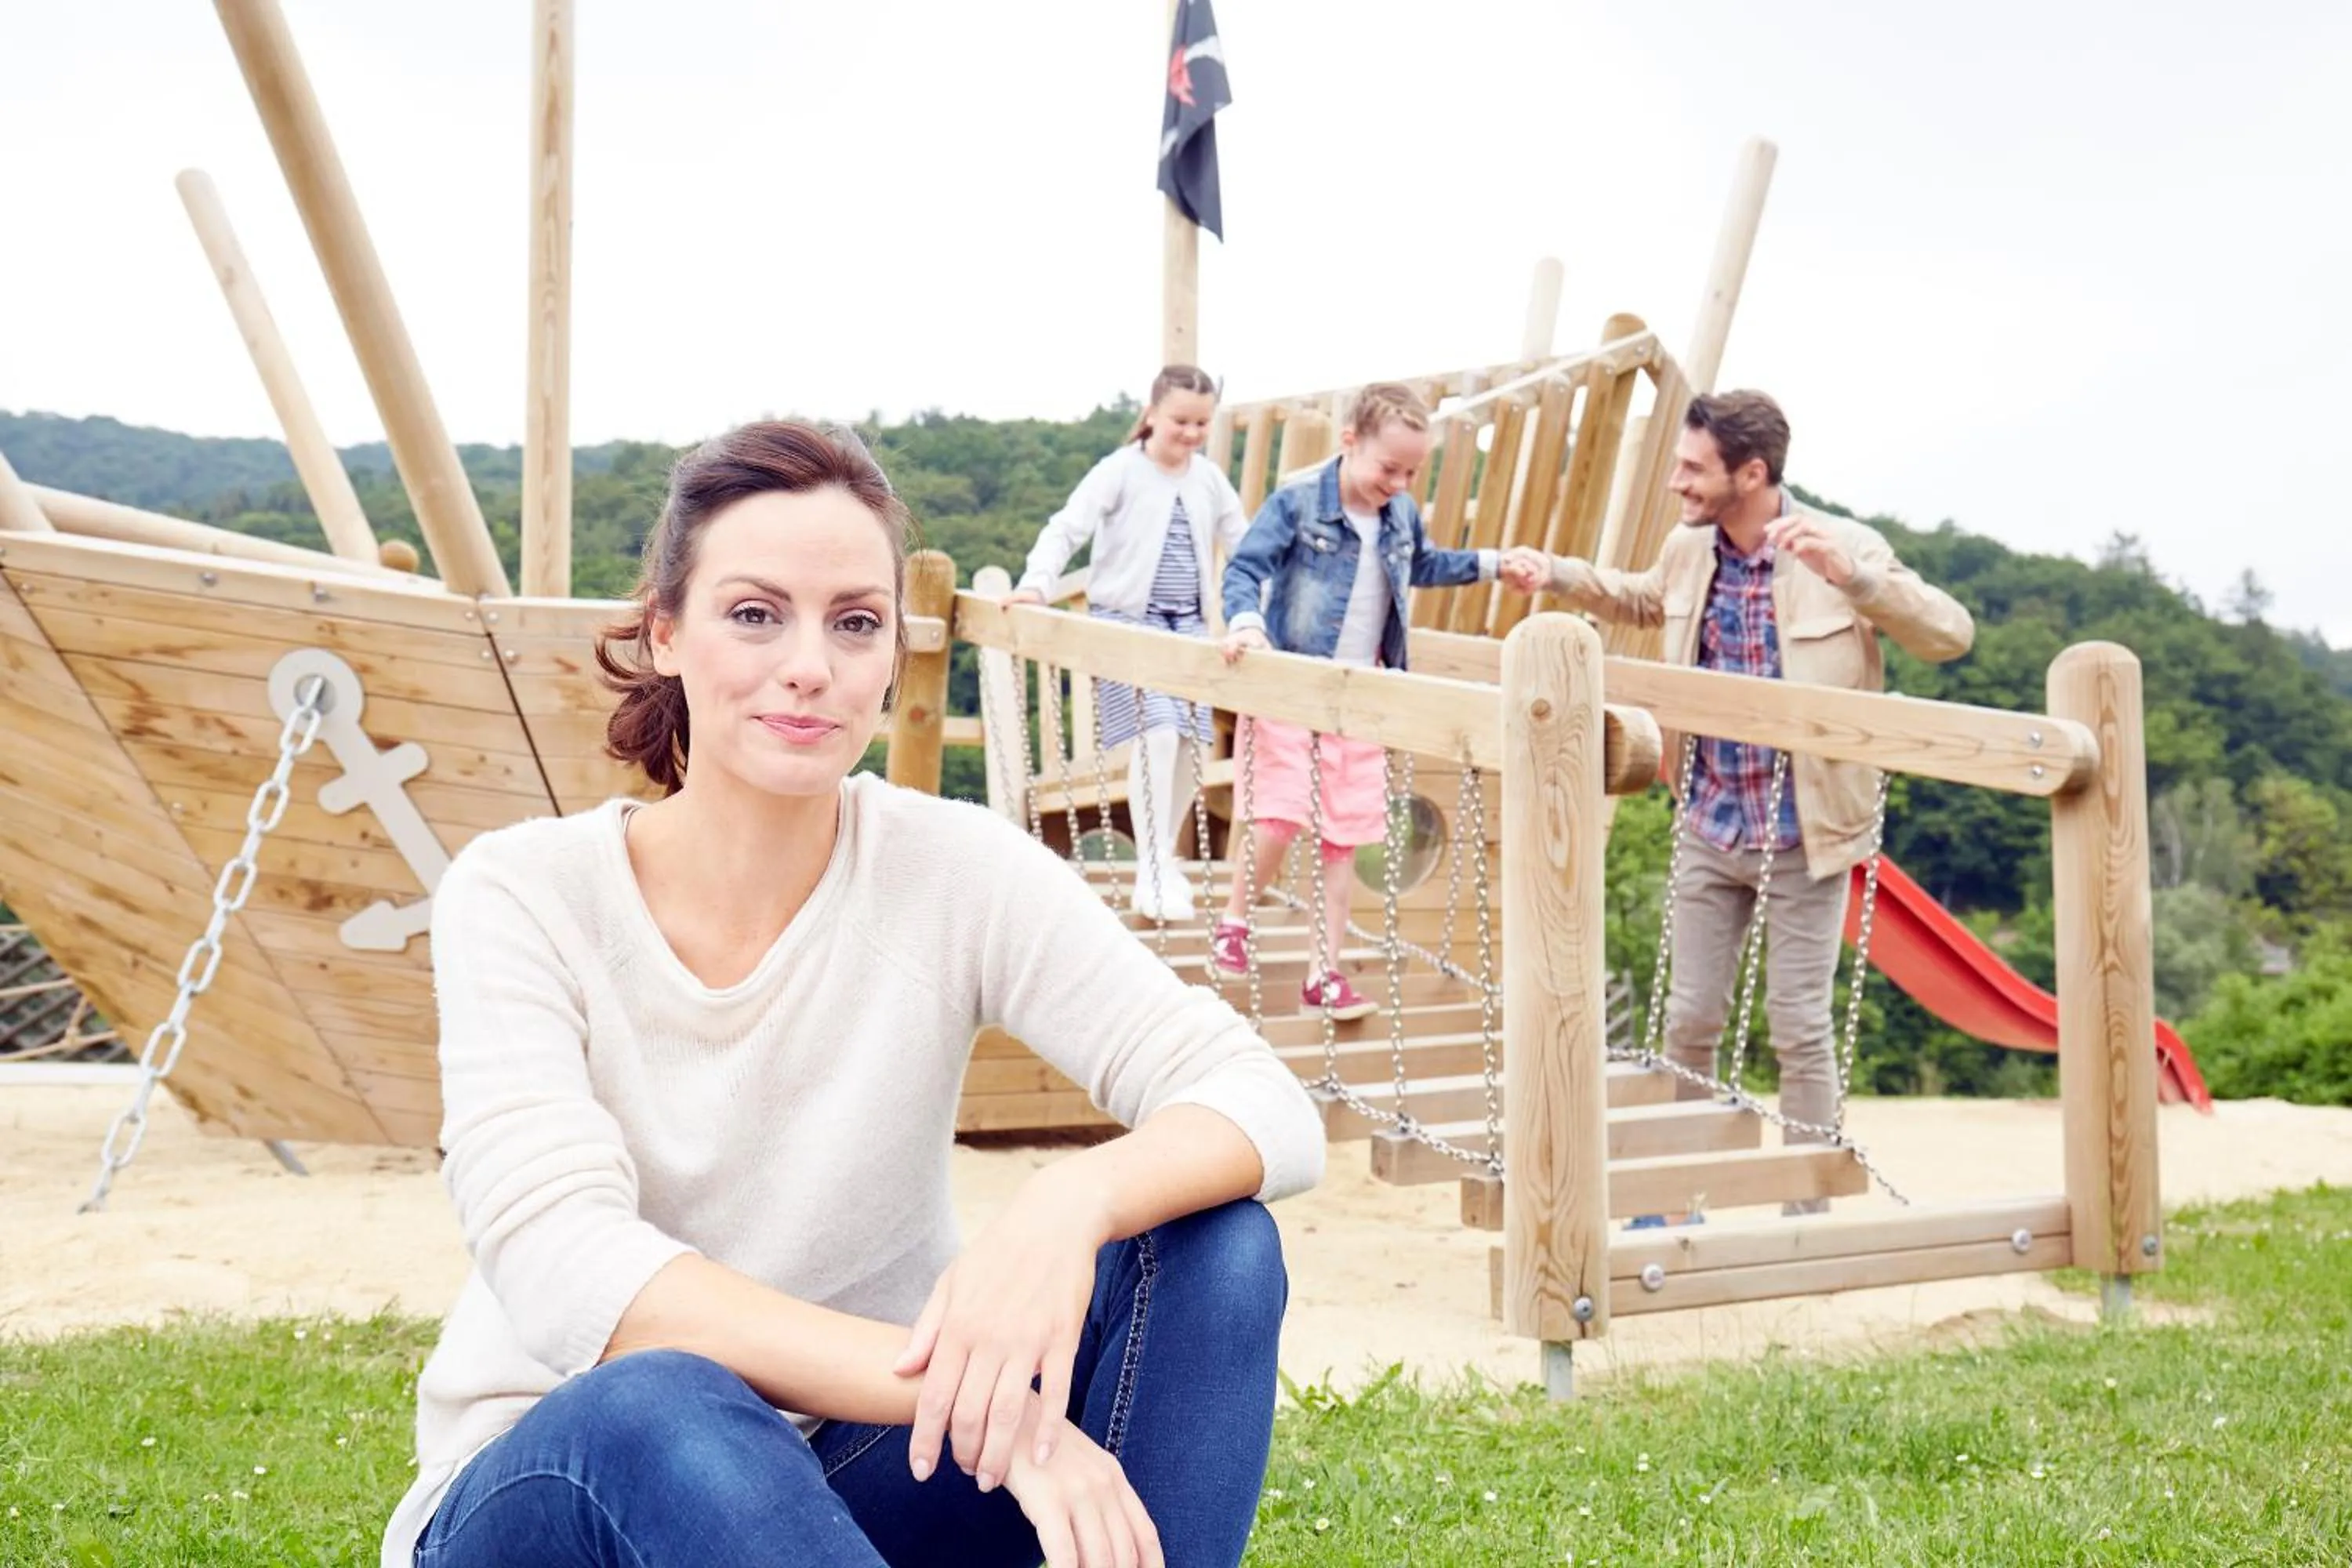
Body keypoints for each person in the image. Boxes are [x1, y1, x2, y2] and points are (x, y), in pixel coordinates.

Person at [383, 420, 1327, 1568]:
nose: (809, 665)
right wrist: (1005, 1413)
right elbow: (573, 1271)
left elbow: (1261, 1099)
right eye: (754, 614)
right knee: (666, 1397)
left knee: (1213, 1243)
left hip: (853, 1477)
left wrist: (1064, 1207)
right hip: (566, 1488)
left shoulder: (953, 868)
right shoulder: (523, 892)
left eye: (855, 623)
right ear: (666, 633)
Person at [1537, 390, 1973, 1217]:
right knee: (1691, 1016)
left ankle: (1807, 1206)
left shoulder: (1840, 547)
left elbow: (1948, 633)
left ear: (1753, 472)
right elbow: (1641, 597)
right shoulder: (1690, 549)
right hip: (1709, 817)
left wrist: (1860, 580)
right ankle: (1677, 1195)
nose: (1677, 482)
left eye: (1693, 467)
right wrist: (1556, 574)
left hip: (1806, 831)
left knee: (1798, 1024)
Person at [1209, 382, 1548, 1020]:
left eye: (1412, 472)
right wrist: (1246, 622)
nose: (1399, 482)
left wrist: (1497, 564)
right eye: (1388, 468)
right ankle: (1235, 920)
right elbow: (1244, 568)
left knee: (1345, 837)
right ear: (1350, 444)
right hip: (1291, 682)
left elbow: (1424, 564)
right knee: (1278, 818)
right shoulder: (1299, 502)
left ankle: (1324, 973)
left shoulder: (1399, 515)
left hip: (1362, 694)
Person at [1010, 366, 1248, 922]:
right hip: (1126, 625)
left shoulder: (1208, 479)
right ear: (1152, 414)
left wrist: (1249, 617)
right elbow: (1067, 528)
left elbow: (1245, 544)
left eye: (1201, 423)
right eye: (1180, 421)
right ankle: (1152, 866)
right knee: (1159, 733)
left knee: (1192, 743)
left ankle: (1162, 856)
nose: (1190, 433)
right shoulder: (1121, 471)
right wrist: (1037, 584)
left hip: (1188, 626)